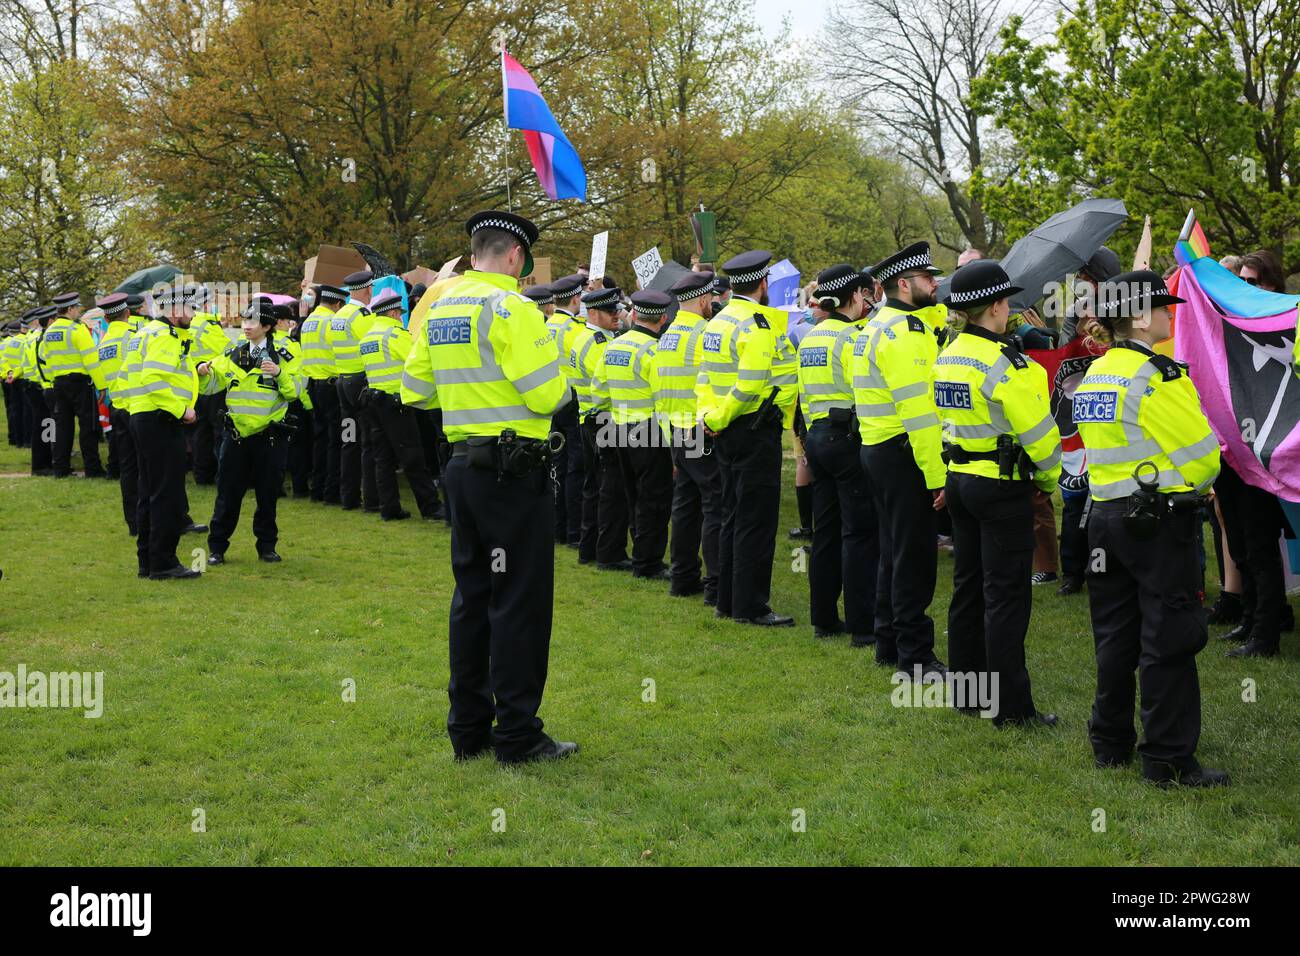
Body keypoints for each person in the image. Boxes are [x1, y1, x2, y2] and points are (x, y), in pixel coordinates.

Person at [401, 209, 576, 764]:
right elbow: (548, 395)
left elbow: (414, 391)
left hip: (464, 469)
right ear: (516, 257)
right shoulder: (512, 306)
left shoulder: (441, 306)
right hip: (513, 473)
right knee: (519, 604)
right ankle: (519, 735)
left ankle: (468, 729)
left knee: (472, 599)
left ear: (474, 251)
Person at [1074, 269, 1225, 786]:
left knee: (1115, 633)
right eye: (1163, 306)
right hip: (1159, 523)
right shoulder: (1158, 376)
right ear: (1140, 316)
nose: (1170, 313)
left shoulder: (1097, 372)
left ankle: (1109, 742)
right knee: (1170, 637)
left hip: (1104, 519)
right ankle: (1167, 758)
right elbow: (1205, 460)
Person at [935, 260, 1062, 725]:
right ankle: (1011, 708)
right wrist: (1048, 482)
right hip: (1002, 486)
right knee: (1006, 596)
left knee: (967, 587)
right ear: (994, 306)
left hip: (961, 480)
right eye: (1006, 299)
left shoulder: (948, 352)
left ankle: (968, 693)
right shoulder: (1009, 362)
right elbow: (1042, 437)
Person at [853, 241, 949, 679]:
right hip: (904, 452)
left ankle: (888, 641)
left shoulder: (881, 324)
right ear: (906, 284)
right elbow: (920, 414)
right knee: (913, 558)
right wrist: (937, 476)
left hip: (878, 449)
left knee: (892, 550)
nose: (937, 284)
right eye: (929, 279)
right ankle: (915, 656)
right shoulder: (905, 336)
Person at [696, 249, 799, 627]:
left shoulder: (719, 322)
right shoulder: (756, 325)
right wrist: (721, 415)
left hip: (724, 428)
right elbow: (750, 383)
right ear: (762, 284)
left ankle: (726, 600)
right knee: (755, 521)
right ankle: (751, 606)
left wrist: (710, 416)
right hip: (753, 428)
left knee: (731, 516)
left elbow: (704, 377)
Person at [1214, 248, 1293, 657]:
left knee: (1261, 542)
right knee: (1241, 541)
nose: (1243, 291)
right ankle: (1252, 617)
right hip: (1232, 449)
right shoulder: (1229, 326)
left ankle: (1267, 635)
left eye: (1252, 284)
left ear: (1273, 287)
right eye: (1239, 283)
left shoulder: (1286, 327)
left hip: (1265, 454)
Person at [797, 264, 879, 646]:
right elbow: (863, 390)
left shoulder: (812, 337)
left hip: (816, 438)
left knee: (825, 532)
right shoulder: (852, 338)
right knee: (859, 533)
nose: (868, 302)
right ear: (851, 297)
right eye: (864, 295)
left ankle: (824, 618)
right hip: (847, 439)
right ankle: (863, 626)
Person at [195, 299, 303, 564]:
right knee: (227, 496)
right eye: (243, 321)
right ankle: (217, 549)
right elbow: (210, 389)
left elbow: (295, 392)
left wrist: (279, 374)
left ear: (267, 326)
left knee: (268, 496)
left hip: (270, 437)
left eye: (252, 322)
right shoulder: (232, 352)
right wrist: (203, 373)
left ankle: (267, 547)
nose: (245, 326)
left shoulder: (285, 353)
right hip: (236, 438)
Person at [653, 271, 722, 603]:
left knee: (685, 506)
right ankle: (716, 585)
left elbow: (659, 390)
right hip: (701, 429)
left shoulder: (666, 335)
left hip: (676, 430)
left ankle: (682, 577)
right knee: (714, 506)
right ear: (705, 300)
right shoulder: (704, 332)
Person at [598, 289, 674, 580]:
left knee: (631, 495)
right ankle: (648, 562)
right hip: (647, 431)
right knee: (653, 499)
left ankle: (640, 553)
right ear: (663, 319)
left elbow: (598, 388)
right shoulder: (654, 351)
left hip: (617, 426)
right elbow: (662, 398)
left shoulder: (614, 345)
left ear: (634, 314)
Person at [128, 287, 202, 580]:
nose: (194, 314)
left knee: (149, 492)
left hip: (142, 416)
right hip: (159, 419)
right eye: (190, 309)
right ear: (174, 311)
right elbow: (152, 377)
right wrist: (181, 409)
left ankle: (148, 560)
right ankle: (163, 562)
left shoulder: (145, 333)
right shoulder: (164, 336)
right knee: (167, 494)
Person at [358, 290, 443, 520]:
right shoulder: (394, 335)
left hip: (373, 402)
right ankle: (430, 507)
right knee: (413, 456)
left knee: (383, 459)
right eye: (400, 314)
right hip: (395, 404)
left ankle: (390, 508)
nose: (401, 318)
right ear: (394, 312)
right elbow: (415, 360)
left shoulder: (368, 337)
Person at [573, 286, 631, 569]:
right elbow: (610, 386)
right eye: (611, 311)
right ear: (593, 313)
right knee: (612, 489)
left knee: (594, 487)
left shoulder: (584, 337)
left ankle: (590, 549)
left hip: (589, 419)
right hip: (603, 419)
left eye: (618, 309)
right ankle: (610, 553)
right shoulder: (599, 344)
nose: (617, 315)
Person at [38, 291, 106, 478]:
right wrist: (101, 385)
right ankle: (93, 469)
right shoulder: (77, 330)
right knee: (88, 427)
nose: (78, 311)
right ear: (69, 309)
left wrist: (53, 380)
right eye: (76, 308)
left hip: (58, 385)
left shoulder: (49, 332)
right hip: (80, 384)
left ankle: (60, 469)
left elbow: (45, 359)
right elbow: (91, 360)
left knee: (62, 428)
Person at [546, 274, 587, 548]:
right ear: (575, 298)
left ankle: (557, 527)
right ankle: (573, 531)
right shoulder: (575, 330)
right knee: (576, 467)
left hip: (549, 400)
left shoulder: (545, 326)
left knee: (555, 465)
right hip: (571, 400)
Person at [94, 293, 141, 535]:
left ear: (105, 317)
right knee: (147, 466)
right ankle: (148, 518)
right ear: (128, 314)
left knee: (128, 467)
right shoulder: (132, 338)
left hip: (117, 408)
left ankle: (133, 522)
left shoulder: (102, 344)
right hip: (136, 408)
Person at [299, 283, 349, 504]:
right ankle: (332, 492)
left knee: (319, 439)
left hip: (313, 386)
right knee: (337, 440)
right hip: (331, 386)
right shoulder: (331, 322)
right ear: (338, 303)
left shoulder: (308, 322)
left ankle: (316, 489)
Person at [334, 270, 379, 512]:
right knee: (368, 443)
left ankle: (348, 498)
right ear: (366, 290)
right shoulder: (362, 316)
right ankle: (371, 500)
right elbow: (372, 345)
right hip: (360, 384)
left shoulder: (339, 314)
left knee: (348, 440)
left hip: (342, 382)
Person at [186, 286, 232, 485]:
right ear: (205, 303)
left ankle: (201, 475)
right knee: (219, 432)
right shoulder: (208, 324)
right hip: (213, 386)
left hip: (195, 386)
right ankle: (220, 474)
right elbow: (228, 351)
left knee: (199, 432)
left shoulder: (188, 323)